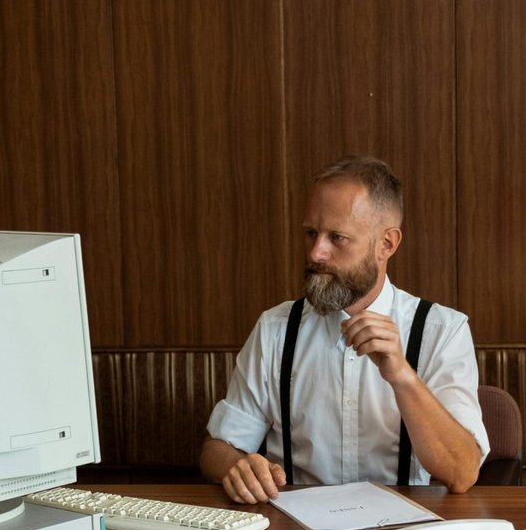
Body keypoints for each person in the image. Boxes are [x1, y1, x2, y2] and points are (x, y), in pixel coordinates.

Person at [200, 156, 489, 504]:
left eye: (337, 237)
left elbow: (462, 473)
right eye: (311, 233)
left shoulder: (443, 330)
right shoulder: (275, 329)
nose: (316, 252)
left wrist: (402, 377)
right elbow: (218, 448)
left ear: (387, 244)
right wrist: (236, 466)